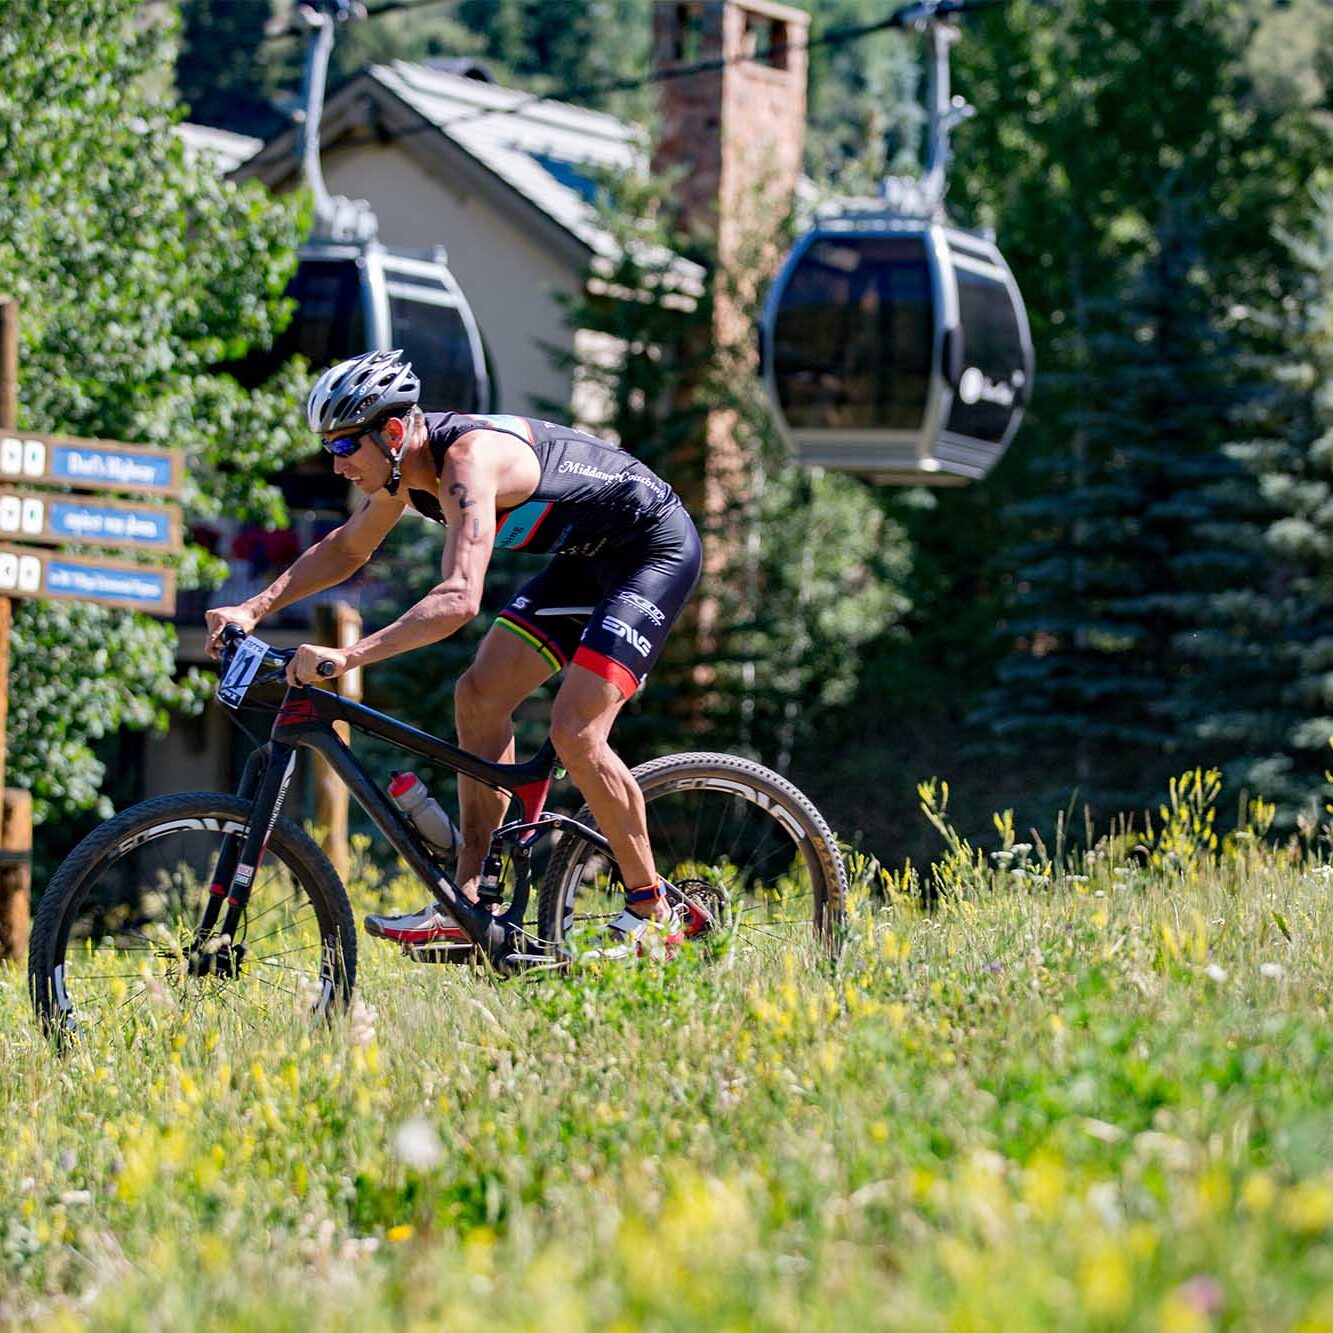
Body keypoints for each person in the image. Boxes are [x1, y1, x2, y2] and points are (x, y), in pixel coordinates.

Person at [205, 349, 702, 957]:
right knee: (478, 695)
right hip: (584, 563)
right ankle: (471, 898)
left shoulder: (466, 463)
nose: (335, 466)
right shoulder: (401, 472)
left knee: (576, 731)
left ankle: (654, 909)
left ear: (392, 432)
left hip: (651, 551)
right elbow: (347, 549)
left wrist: (350, 656)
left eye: (342, 448)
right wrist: (253, 608)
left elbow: (461, 598)